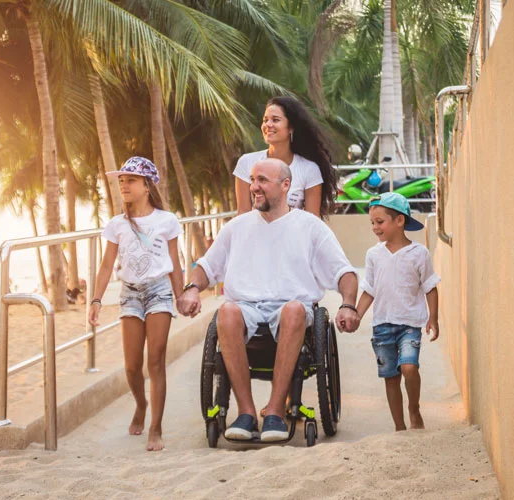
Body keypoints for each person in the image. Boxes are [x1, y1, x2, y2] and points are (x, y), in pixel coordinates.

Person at [178, 158, 360, 442]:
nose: (254, 187)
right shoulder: (237, 227)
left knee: (294, 309)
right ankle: (247, 414)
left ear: (285, 185)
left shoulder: (309, 227)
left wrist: (348, 304)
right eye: (252, 180)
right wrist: (191, 288)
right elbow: (206, 266)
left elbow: (344, 272)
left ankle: (275, 412)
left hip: (291, 311)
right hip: (246, 310)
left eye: (262, 180)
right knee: (226, 312)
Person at [88, 156, 184, 451]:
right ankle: (141, 404)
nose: (124, 185)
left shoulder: (166, 220)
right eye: (121, 181)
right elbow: (106, 265)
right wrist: (95, 299)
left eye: (130, 180)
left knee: (155, 359)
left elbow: (175, 263)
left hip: (159, 292)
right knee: (131, 366)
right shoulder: (116, 224)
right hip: (129, 293)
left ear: (146, 185)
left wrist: (182, 296)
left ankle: (155, 428)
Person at [354, 193, 440, 431]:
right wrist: (356, 315)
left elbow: (430, 287)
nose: (375, 227)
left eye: (380, 222)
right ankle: (400, 428)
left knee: (409, 368)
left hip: (409, 325)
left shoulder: (419, 253)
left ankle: (414, 408)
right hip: (382, 326)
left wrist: (433, 318)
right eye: (372, 222)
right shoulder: (374, 255)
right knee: (391, 378)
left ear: (399, 221)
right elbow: (369, 290)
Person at [233, 96, 337, 219]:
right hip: (256, 236)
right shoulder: (246, 163)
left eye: (275, 120)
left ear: (291, 128)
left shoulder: (309, 169)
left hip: (294, 237)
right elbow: (242, 214)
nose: (268, 125)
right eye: (265, 120)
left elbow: (312, 222)